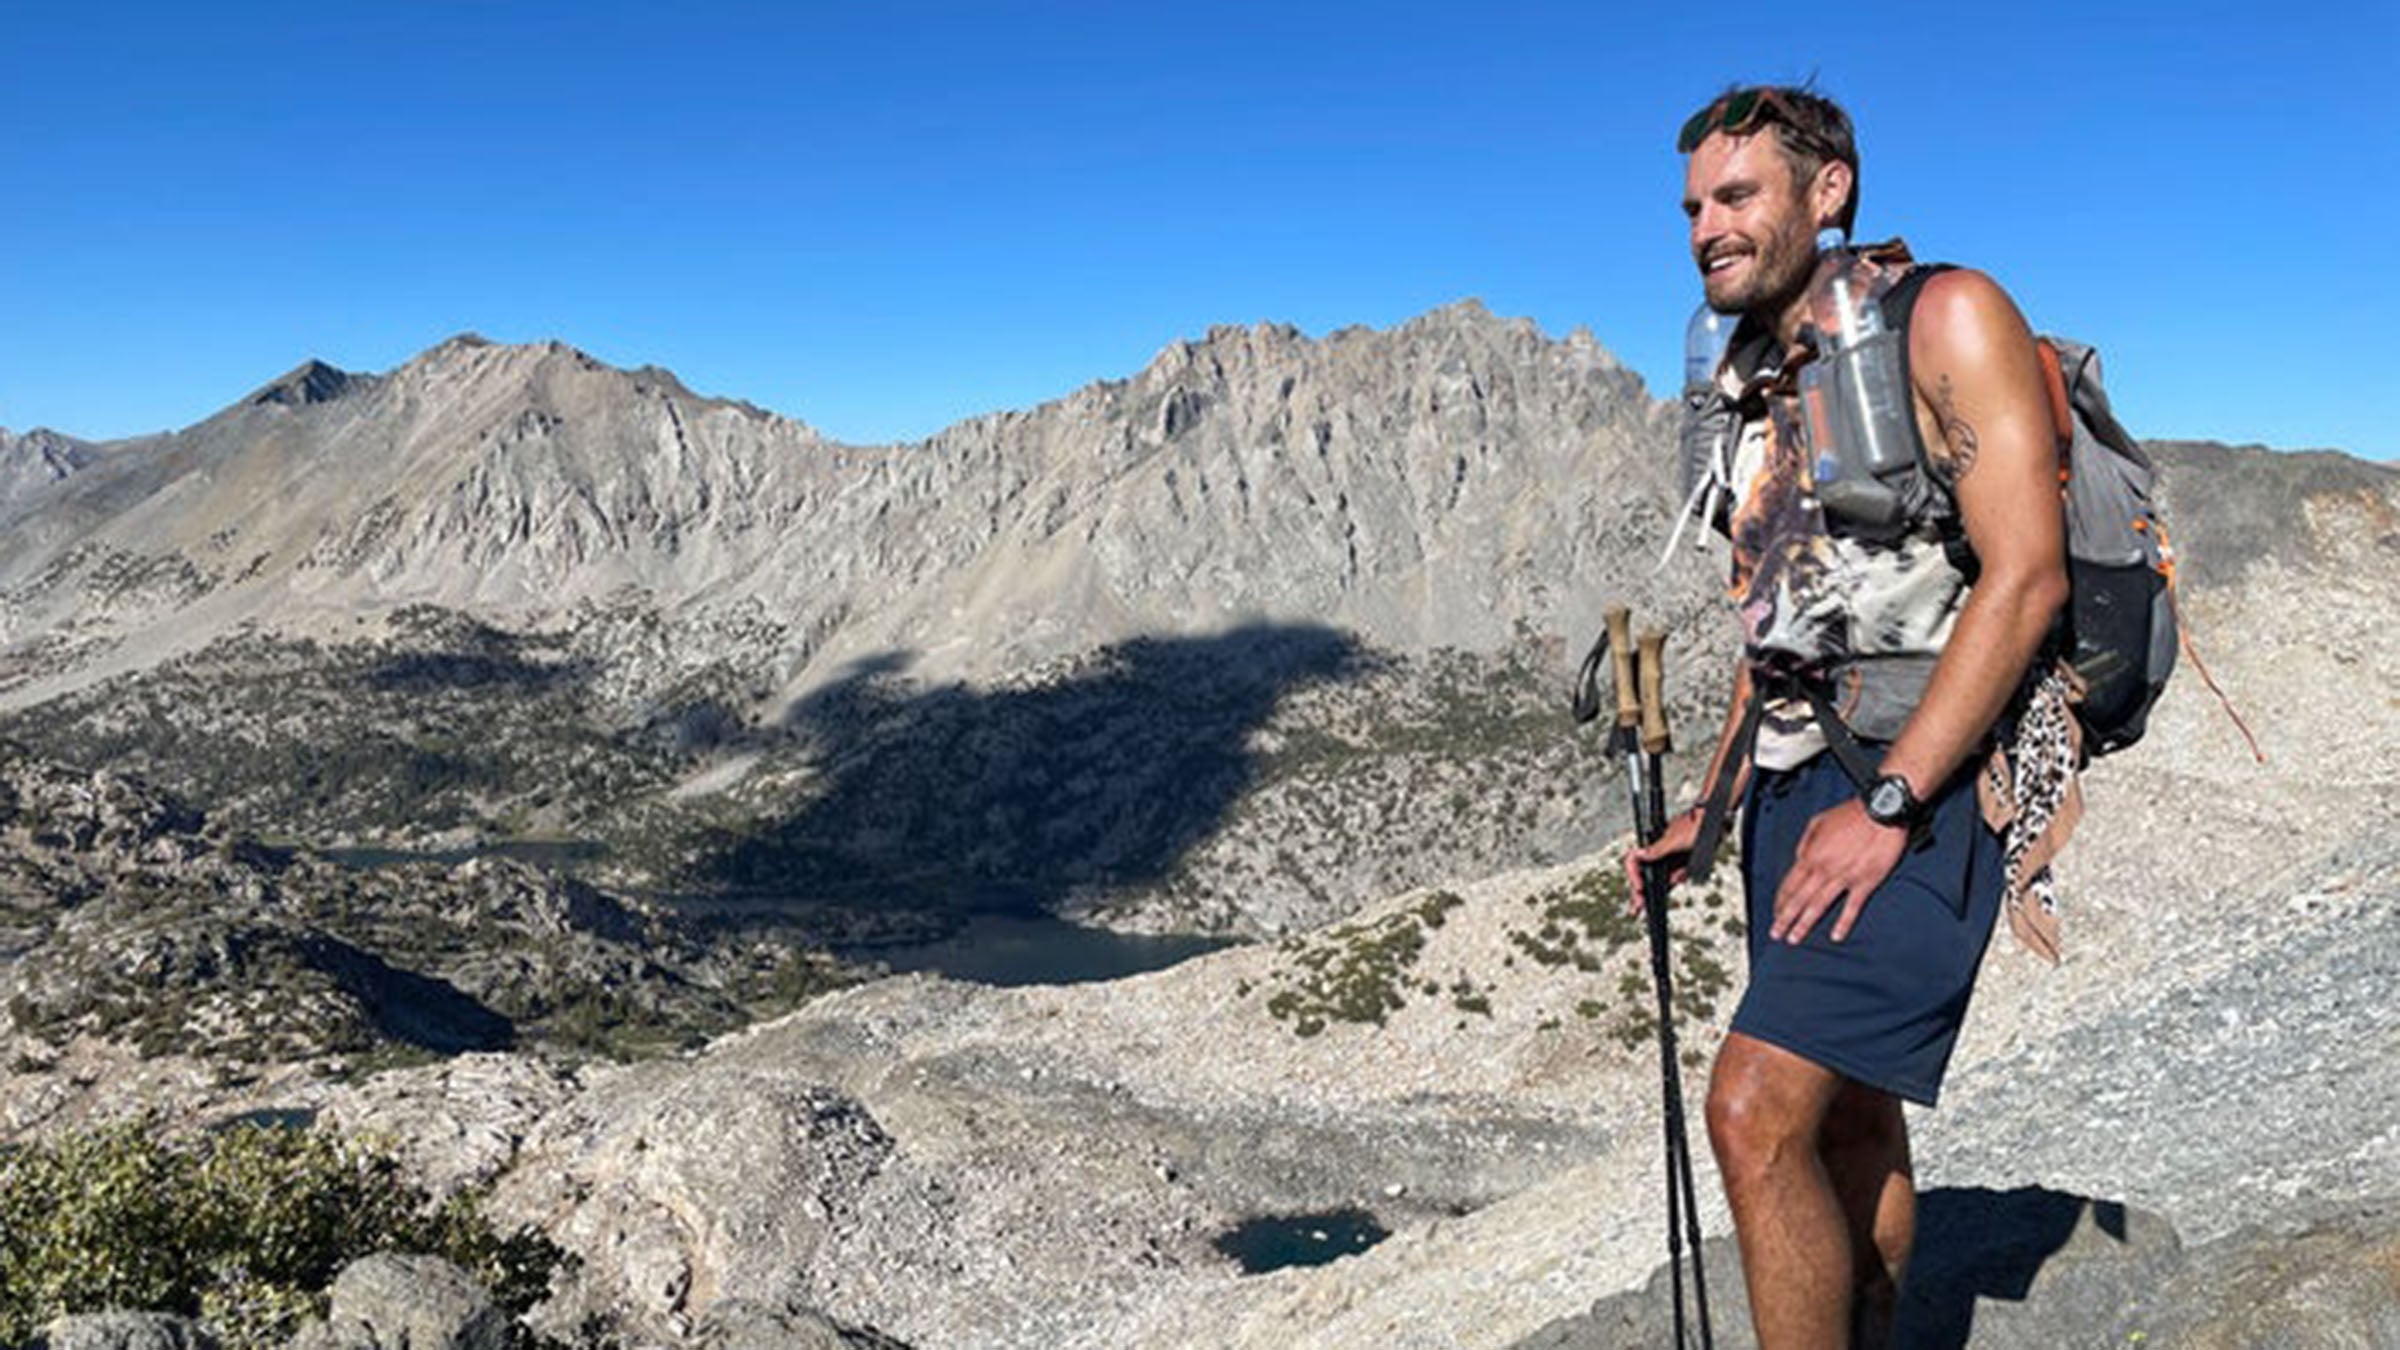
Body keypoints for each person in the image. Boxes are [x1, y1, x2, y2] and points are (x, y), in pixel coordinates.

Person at [1629, 85, 2069, 1349]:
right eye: (1695, 206)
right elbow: (1770, 622)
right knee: (1851, 1117)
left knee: (1752, 1109)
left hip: (1921, 771)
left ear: (1830, 193)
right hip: (1792, 783)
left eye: (1738, 196)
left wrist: (1889, 806)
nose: (1708, 226)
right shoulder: (1744, 379)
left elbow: (2028, 574)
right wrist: (1709, 813)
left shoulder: (1947, 316)